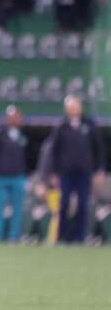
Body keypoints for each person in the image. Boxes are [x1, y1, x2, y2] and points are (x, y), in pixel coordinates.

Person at [50, 95, 106, 244]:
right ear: (66, 109)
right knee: (64, 204)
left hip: (84, 172)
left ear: (80, 107)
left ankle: (79, 237)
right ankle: (62, 236)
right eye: (71, 107)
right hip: (66, 172)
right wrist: (54, 172)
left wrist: (99, 169)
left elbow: (98, 149)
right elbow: (55, 151)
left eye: (76, 106)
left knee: (82, 204)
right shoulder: (62, 126)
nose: (74, 110)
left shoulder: (89, 124)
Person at [0, 105, 29, 242]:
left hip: (18, 176)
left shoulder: (24, 134)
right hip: (1, 176)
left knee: (18, 207)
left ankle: (14, 235)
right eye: (11, 116)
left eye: (17, 116)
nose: (14, 119)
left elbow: (29, 155)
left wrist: (26, 173)